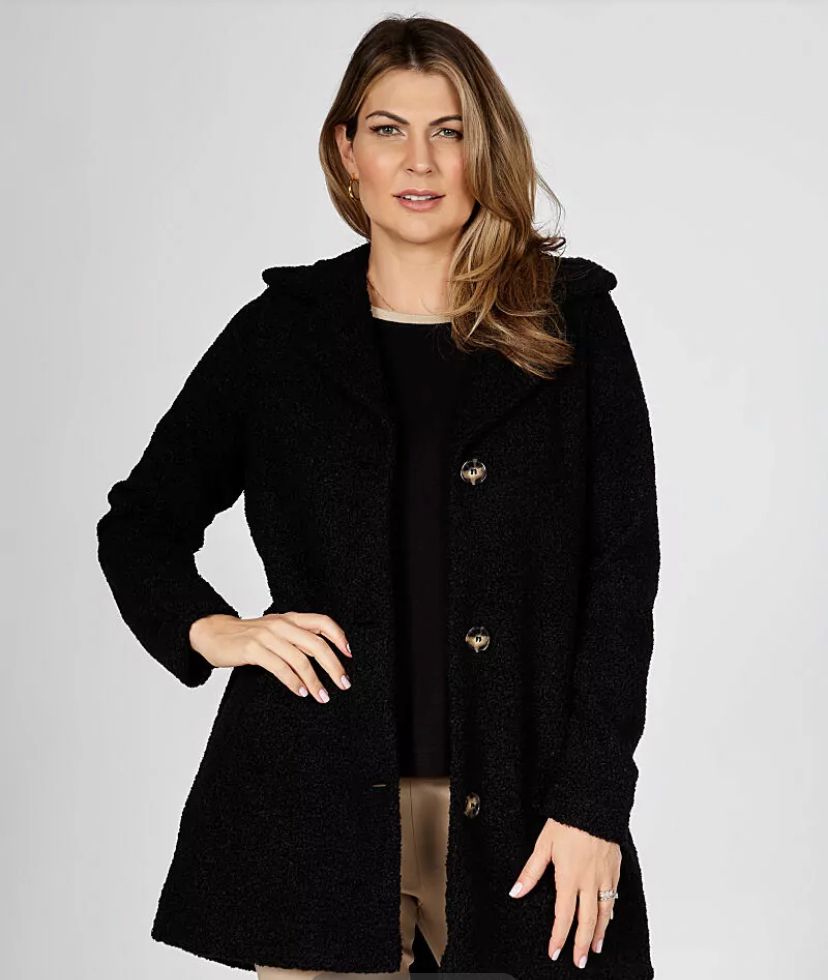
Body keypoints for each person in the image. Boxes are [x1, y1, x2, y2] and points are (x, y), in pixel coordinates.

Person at [96, 14, 660, 980]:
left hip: (528, 820)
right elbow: (141, 525)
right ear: (346, 150)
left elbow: (622, 578)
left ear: (486, 150)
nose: (420, 161)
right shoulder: (281, 336)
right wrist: (214, 630)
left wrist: (593, 803)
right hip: (318, 824)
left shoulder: (570, 324)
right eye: (389, 129)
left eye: (450, 131)